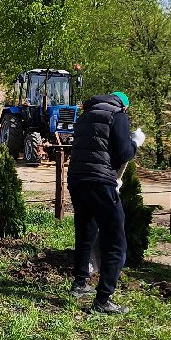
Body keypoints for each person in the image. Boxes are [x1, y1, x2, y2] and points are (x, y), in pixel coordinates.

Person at [67, 91, 142, 315]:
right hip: (100, 182)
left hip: (77, 179)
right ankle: (103, 299)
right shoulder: (117, 115)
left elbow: (94, 150)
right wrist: (135, 143)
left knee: (85, 231)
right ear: (124, 106)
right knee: (115, 241)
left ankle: (80, 283)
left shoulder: (84, 115)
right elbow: (124, 153)